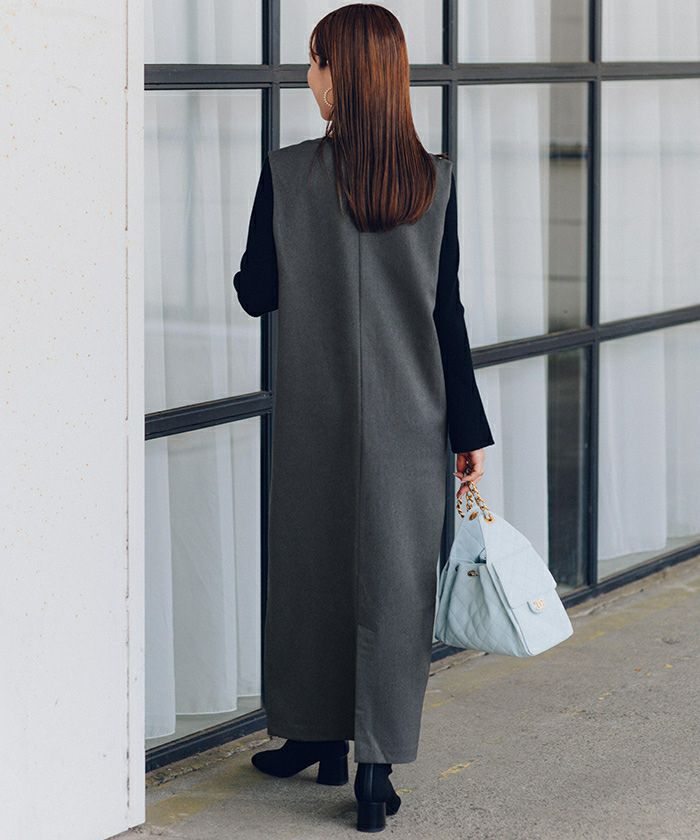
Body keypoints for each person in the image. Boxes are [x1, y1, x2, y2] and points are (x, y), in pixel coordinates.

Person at [233, 4, 495, 833]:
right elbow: (447, 313)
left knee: (310, 569)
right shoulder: (434, 180)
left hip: (315, 418)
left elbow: (256, 294)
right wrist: (469, 433)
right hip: (413, 419)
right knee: (392, 583)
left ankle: (315, 734)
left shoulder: (287, 174)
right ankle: (370, 766)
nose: (307, 76)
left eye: (314, 62)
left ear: (341, 75)